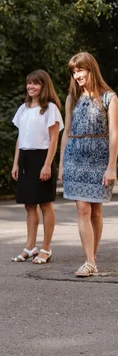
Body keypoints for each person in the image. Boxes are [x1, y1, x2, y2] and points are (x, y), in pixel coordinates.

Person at [59, 52, 118, 277]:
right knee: (82, 208)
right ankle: (90, 261)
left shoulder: (109, 98)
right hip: (75, 157)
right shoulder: (72, 98)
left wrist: (112, 166)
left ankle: (92, 256)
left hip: (99, 159)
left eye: (80, 70)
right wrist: (62, 164)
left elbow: (114, 134)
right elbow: (66, 134)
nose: (76, 76)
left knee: (96, 212)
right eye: (74, 72)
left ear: (91, 69)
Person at [10, 70, 63, 264]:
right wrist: (16, 163)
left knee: (45, 204)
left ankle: (46, 248)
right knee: (29, 204)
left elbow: (54, 138)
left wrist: (47, 164)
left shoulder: (50, 109)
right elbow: (20, 138)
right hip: (25, 158)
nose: (31, 87)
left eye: (35, 83)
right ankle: (30, 247)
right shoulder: (23, 109)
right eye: (29, 83)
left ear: (43, 85)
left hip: (42, 158)